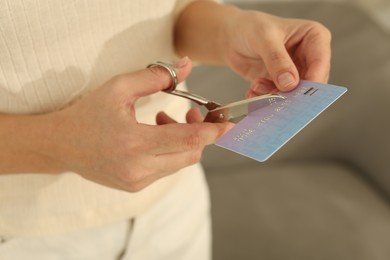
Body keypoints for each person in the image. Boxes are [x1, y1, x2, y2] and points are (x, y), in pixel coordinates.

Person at [0, 0, 330, 259]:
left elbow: (174, 10)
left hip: (176, 206)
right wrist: (58, 144)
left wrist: (230, 30)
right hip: (21, 236)